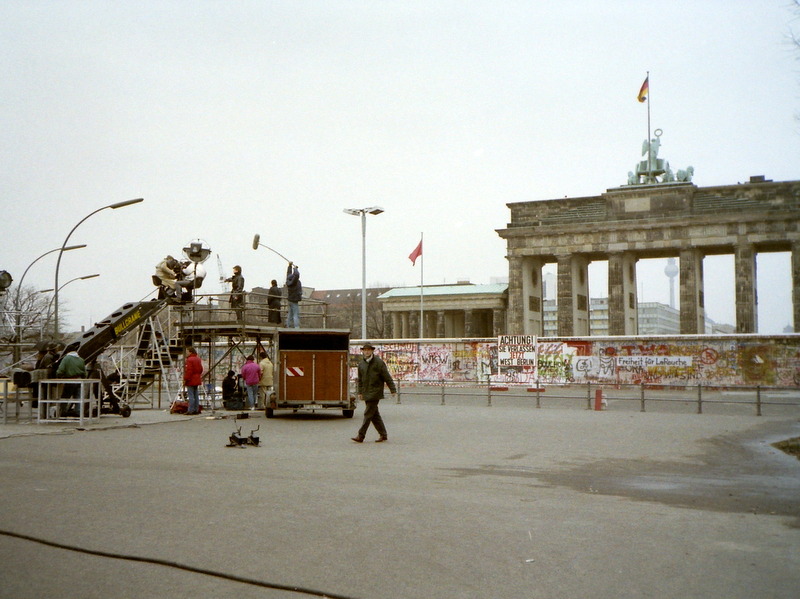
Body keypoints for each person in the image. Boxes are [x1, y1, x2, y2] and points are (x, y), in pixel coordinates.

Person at [352, 343, 396, 443]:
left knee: (368, 414)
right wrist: (360, 391)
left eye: (369, 350)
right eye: (365, 350)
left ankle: (361, 436)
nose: (367, 351)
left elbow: (386, 377)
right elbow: (360, 380)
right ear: (363, 351)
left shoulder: (378, 363)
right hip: (366, 392)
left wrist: (393, 389)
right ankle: (383, 434)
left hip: (375, 392)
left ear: (372, 351)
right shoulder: (361, 364)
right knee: (374, 415)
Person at [183, 346, 203, 415]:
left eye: (187, 352)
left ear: (190, 352)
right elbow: (201, 369)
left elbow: (189, 371)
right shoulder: (198, 359)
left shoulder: (189, 360)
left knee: (191, 395)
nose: (186, 353)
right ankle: (196, 409)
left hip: (191, 379)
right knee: (196, 394)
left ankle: (190, 410)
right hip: (197, 378)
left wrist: (185, 379)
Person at [285, 262, 302, 328]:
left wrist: (289, 266)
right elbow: (297, 274)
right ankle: (296, 327)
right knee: (296, 314)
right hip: (294, 300)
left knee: (290, 314)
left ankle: (288, 325)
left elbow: (289, 273)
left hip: (290, 299)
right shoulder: (294, 282)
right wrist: (295, 268)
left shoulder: (288, 280)